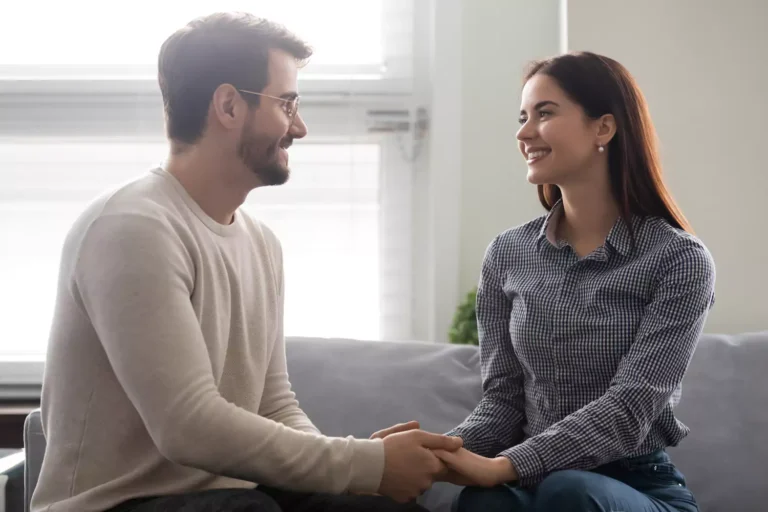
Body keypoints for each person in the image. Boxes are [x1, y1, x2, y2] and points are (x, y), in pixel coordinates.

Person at [31, 12, 461, 512]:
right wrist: (366, 463)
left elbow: (273, 403)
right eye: (287, 103)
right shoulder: (132, 226)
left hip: (224, 497)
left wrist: (358, 478)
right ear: (229, 105)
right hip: (113, 504)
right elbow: (188, 427)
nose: (299, 126)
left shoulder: (260, 242)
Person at [432, 52, 715, 511]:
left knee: (568, 491)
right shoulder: (507, 254)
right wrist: (439, 452)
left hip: (636, 486)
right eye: (523, 117)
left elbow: (630, 410)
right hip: (536, 481)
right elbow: (503, 403)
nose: (524, 133)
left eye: (544, 113)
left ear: (603, 128)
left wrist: (504, 467)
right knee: (484, 503)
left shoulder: (678, 259)